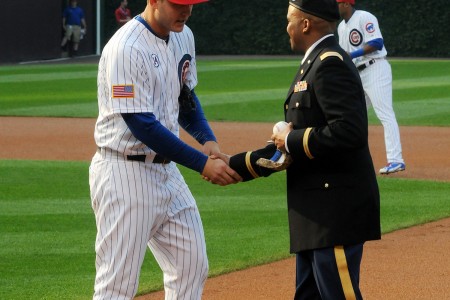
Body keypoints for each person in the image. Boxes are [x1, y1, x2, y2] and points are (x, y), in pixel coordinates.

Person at [220, 0, 381, 298]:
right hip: (314, 216)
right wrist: (234, 165)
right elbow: (291, 145)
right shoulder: (315, 62)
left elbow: (350, 131)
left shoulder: (329, 62)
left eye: (289, 19)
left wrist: (290, 139)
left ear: (305, 24)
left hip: (334, 213)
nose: (286, 27)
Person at [88, 0, 241, 299]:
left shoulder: (184, 35)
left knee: (191, 265)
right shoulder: (126, 48)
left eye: (190, 4)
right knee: (116, 286)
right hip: (124, 172)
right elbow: (141, 124)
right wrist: (201, 163)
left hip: (166, 171)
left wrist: (207, 140)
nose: (185, 10)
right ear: (153, 1)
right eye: (177, 4)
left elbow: (184, 95)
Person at [336, 0, 406, 174]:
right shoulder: (340, 27)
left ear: (346, 4)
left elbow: (377, 42)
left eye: (336, 3)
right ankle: (350, 157)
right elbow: (346, 58)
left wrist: (353, 53)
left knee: (385, 113)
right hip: (358, 74)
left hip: (375, 69)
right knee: (354, 115)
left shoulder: (364, 17)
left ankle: (396, 160)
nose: (334, 7)